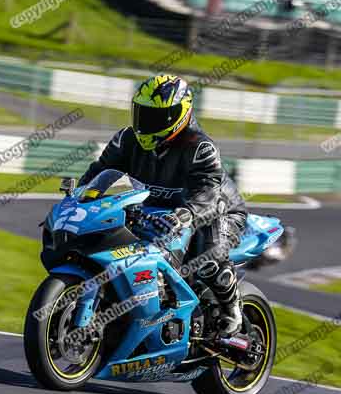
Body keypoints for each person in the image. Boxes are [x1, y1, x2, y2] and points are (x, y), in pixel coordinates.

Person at [79, 74, 247, 338]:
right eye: (142, 114)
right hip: (157, 210)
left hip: (214, 210)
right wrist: (81, 199)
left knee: (207, 258)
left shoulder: (200, 147)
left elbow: (208, 191)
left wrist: (186, 214)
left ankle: (232, 308)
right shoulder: (127, 139)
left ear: (178, 116)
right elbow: (100, 172)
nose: (145, 124)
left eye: (155, 118)